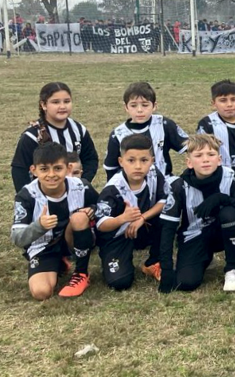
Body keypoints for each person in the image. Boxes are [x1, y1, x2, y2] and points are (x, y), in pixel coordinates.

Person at [158, 134, 235, 293]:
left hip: (223, 231)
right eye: (198, 155)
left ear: (219, 159)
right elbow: (168, 229)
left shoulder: (230, 176)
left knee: (230, 213)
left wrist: (221, 198)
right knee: (186, 283)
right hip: (194, 234)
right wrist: (166, 270)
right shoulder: (179, 186)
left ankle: (232, 269)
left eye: (211, 154)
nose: (205, 159)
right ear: (189, 162)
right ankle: (204, 257)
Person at [11, 142, 99, 300]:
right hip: (44, 247)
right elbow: (17, 238)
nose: (51, 174)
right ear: (34, 170)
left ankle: (81, 273)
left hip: (72, 239)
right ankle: (58, 264)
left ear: (68, 168)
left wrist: (91, 210)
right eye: (44, 169)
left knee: (79, 217)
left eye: (58, 168)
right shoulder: (26, 196)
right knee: (41, 293)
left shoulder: (81, 186)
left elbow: (101, 206)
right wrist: (39, 226)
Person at [95, 135, 168, 290]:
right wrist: (122, 218)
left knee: (168, 216)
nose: (138, 166)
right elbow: (101, 225)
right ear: (121, 162)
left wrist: (142, 218)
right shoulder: (112, 189)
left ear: (152, 161)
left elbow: (165, 200)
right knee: (119, 282)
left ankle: (153, 262)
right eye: (131, 160)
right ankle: (113, 258)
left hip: (142, 227)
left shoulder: (154, 174)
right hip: (118, 235)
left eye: (144, 160)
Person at [11, 82, 99, 192]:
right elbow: (20, 170)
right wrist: (28, 197)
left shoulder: (79, 130)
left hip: (74, 193)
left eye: (67, 101)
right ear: (43, 105)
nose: (62, 106)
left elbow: (90, 159)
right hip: (43, 195)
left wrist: (81, 183)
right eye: (55, 102)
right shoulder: (32, 136)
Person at [104, 81, 189, 180]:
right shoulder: (117, 134)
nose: (139, 110)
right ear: (126, 107)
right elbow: (111, 169)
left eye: (145, 105)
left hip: (165, 182)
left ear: (154, 106)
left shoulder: (164, 124)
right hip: (132, 187)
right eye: (133, 105)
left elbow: (191, 148)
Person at [195, 80, 235, 172]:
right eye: (223, 100)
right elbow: (200, 152)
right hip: (218, 176)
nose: (229, 104)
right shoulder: (207, 124)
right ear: (213, 103)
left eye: (233, 99)